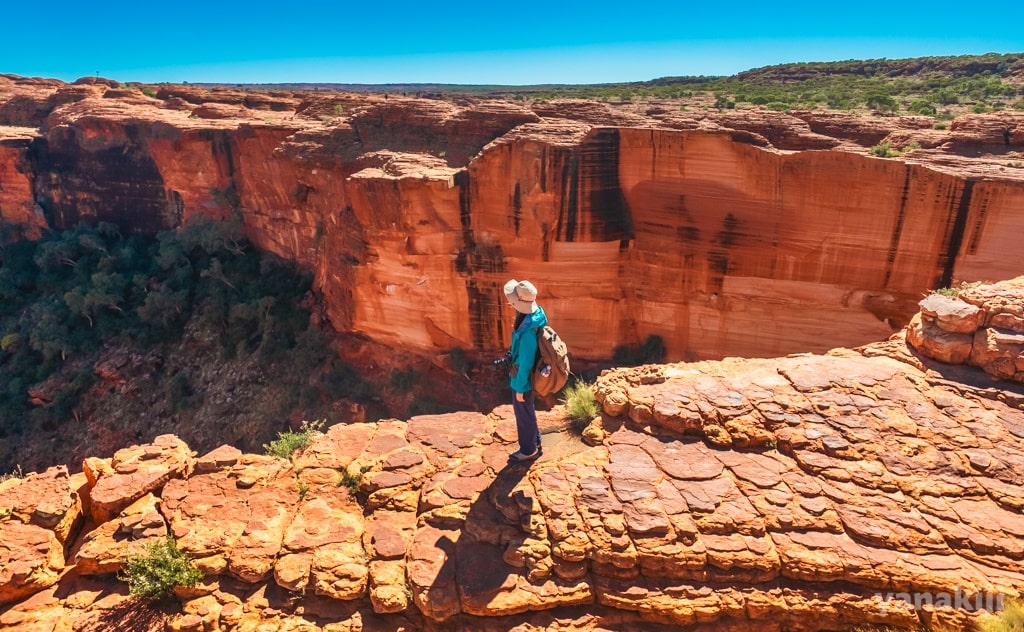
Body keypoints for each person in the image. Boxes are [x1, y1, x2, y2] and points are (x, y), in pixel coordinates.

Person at [503, 279, 547, 462]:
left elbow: (527, 361)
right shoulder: (532, 317)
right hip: (522, 375)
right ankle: (536, 442)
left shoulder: (528, 329)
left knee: (523, 415)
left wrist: (520, 388)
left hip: (523, 379)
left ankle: (528, 450)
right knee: (527, 412)